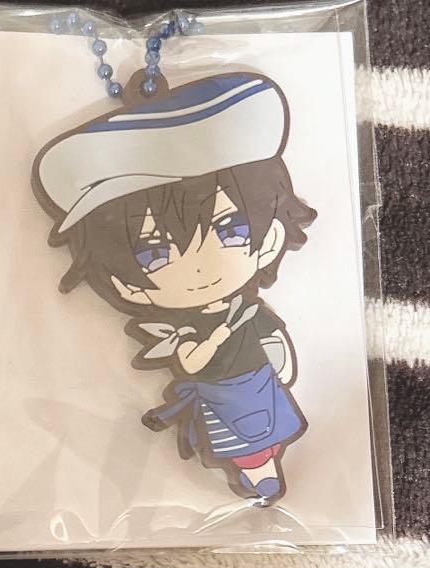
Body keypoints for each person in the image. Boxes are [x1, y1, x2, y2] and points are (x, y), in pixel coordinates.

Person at [33, 71, 316, 504]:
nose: (197, 265)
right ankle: (258, 475)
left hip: (259, 384)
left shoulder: (250, 310)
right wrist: (223, 335)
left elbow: (273, 342)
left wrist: (278, 361)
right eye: (156, 254)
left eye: (230, 229)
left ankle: (265, 470)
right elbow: (192, 358)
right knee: (242, 445)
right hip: (221, 398)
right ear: (127, 286)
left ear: (270, 237)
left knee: (270, 434)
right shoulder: (185, 330)